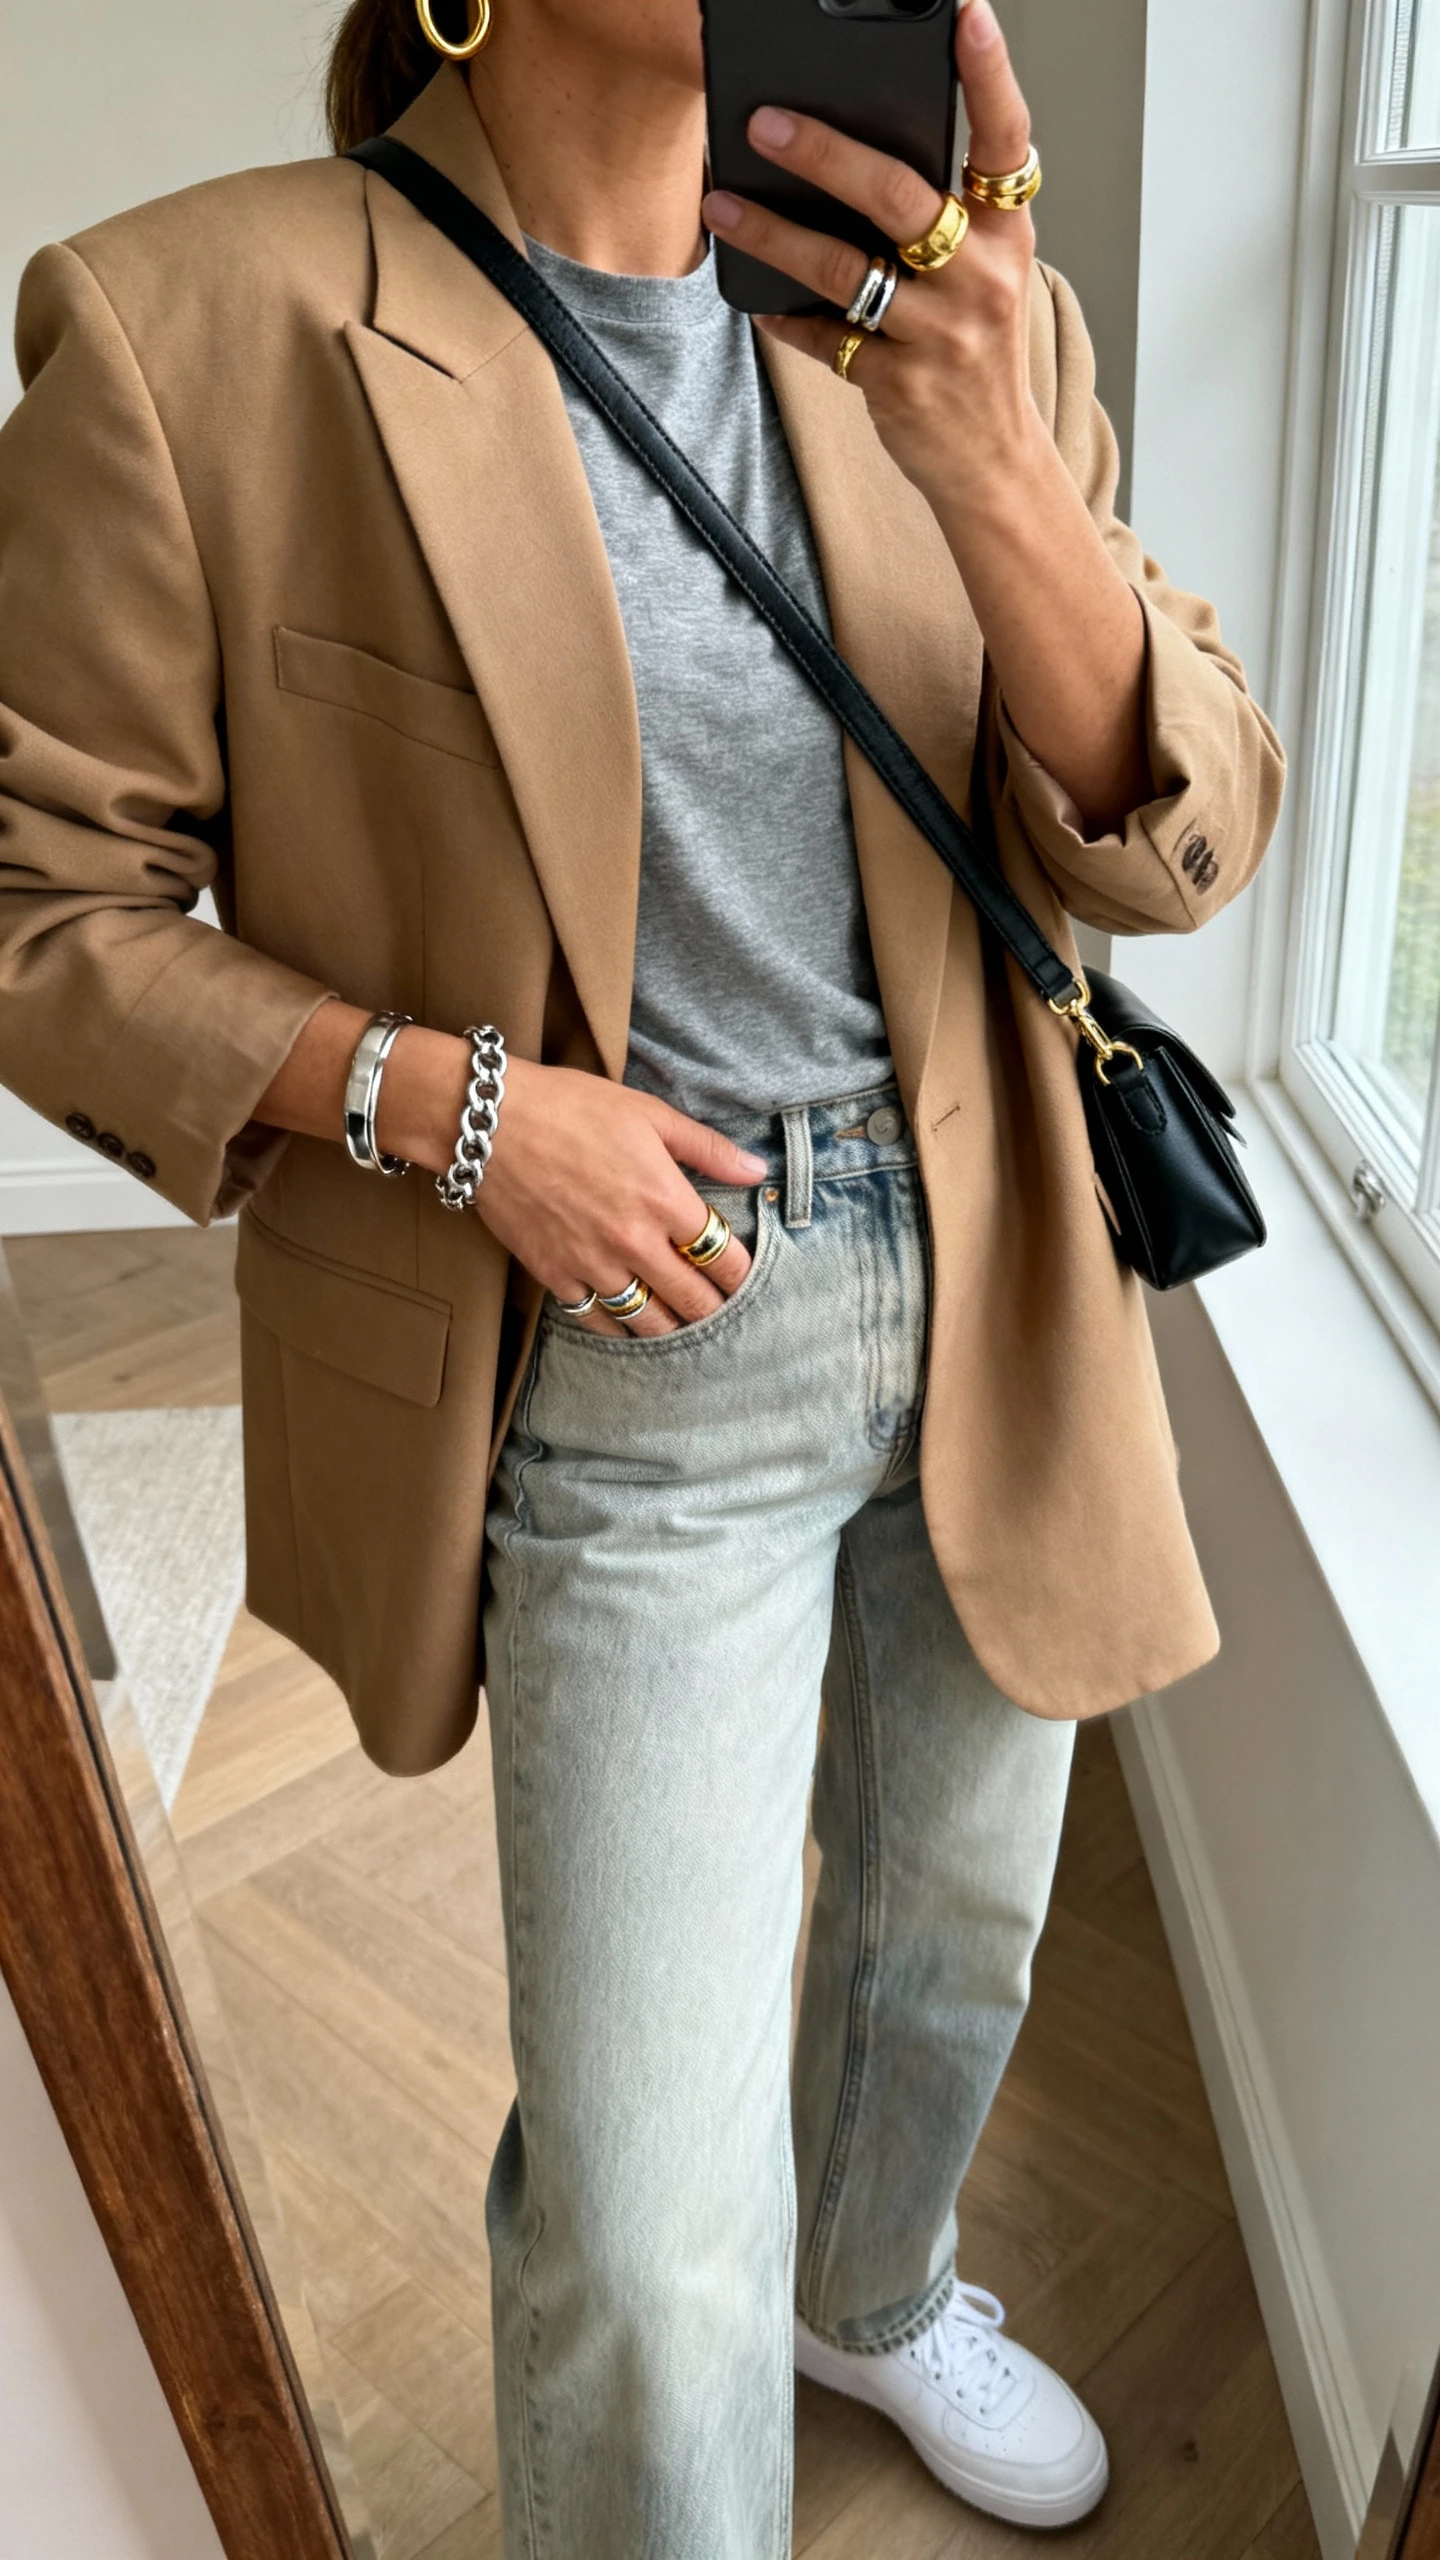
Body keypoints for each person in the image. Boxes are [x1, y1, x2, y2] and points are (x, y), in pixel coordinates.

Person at [0, 0, 1283, 2547]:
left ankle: (883, 2280)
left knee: (953, 1944)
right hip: (631, 1339)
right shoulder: (191, 324)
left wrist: (996, 454)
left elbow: (1184, 831)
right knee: (632, 2212)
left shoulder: (954, 302)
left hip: (1009, 1269)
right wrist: (461, 1111)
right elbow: (44, 909)